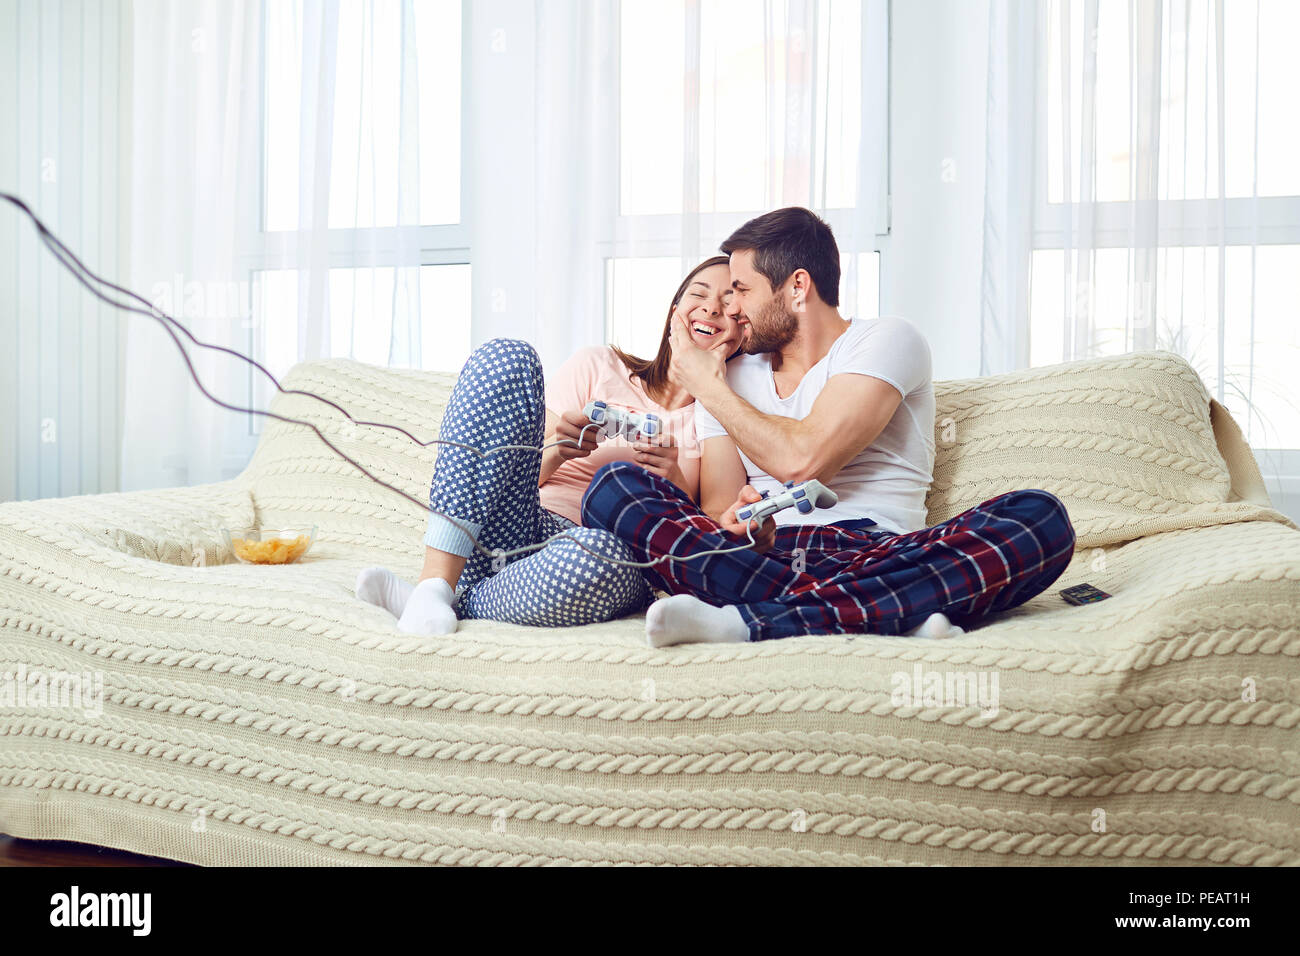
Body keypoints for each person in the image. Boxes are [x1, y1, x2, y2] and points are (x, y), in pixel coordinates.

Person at [581, 207, 1077, 646]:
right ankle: (894, 613)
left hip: (880, 553)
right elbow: (716, 509)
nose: (731, 309)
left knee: (1038, 519)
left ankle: (752, 623)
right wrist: (743, 526)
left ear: (797, 288)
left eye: (742, 290)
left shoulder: (885, 340)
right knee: (611, 490)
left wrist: (707, 388)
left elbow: (805, 460)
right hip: (766, 560)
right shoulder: (729, 376)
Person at [355, 256, 746, 634]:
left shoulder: (719, 416)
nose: (711, 308)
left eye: (728, 303)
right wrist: (559, 447)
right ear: (675, 311)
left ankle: (448, 602)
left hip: (602, 554)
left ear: (743, 329)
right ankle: (435, 582)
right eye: (700, 294)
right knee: (507, 357)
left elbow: (712, 537)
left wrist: (672, 481)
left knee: (602, 559)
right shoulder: (600, 365)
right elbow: (506, 468)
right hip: (517, 527)